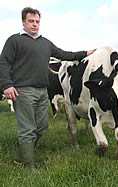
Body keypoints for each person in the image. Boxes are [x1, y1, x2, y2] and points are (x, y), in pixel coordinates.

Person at [0, 7, 96, 171]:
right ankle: (29, 165)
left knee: (42, 126)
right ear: (23, 22)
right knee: (27, 127)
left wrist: (85, 53)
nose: (35, 24)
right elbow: (4, 63)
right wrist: (7, 85)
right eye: (31, 21)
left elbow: (64, 54)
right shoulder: (14, 40)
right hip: (22, 90)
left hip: (42, 91)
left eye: (37, 21)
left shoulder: (45, 42)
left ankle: (23, 153)